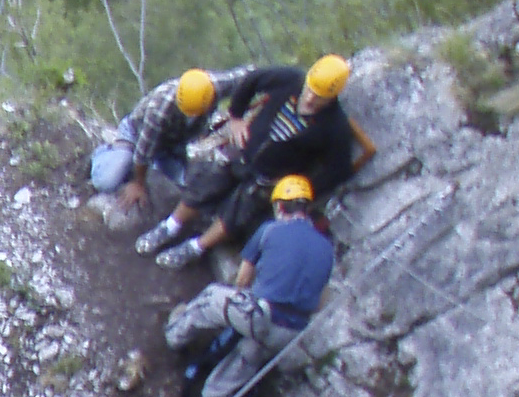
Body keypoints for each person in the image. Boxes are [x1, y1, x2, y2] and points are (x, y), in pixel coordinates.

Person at [134, 55, 375, 267]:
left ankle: (196, 247)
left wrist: (301, 185)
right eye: (310, 89)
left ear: (333, 96)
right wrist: (236, 116)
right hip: (243, 149)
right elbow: (251, 80)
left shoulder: (334, 125)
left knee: (238, 212)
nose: (311, 98)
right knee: (207, 182)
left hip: (269, 175)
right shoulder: (289, 80)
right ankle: (170, 227)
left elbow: (339, 169)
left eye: (320, 96)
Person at [162, 176, 338, 397]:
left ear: (280, 206)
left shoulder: (270, 230)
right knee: (249, 354)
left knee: (212, 297)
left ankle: (174, 335)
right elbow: (319, 302)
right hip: (290, 332)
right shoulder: (327, 249)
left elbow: (242, 280)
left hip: (260, 312)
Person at [103, 65, 256, 217]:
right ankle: (107, 150)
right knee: (108, 180)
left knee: (193, 189)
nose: (192, 116)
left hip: (173, 144)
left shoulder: (216, 85)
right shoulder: (160, 110)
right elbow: (143, 151)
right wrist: (138, 183)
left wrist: (246, 110)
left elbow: (255, 74)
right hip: (137, 135)